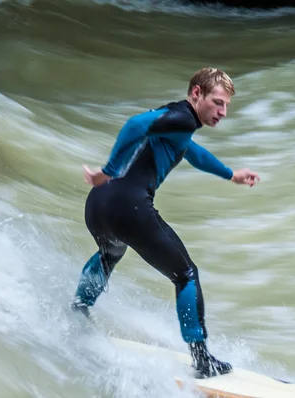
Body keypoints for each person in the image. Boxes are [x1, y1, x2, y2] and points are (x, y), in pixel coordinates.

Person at [70, 67, 260, 379]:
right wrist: (108, 169)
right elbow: (134, 125)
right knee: (186, 274)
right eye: (218, 102)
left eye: (226, 106)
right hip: (127, 206)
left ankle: (78, 312)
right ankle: (201, 360)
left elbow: (191, 152)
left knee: (111, 253)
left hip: (99, 205)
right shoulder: (184, 117)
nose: (223, 112)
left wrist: (231, 174)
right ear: (196, 94)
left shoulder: (175, 124)